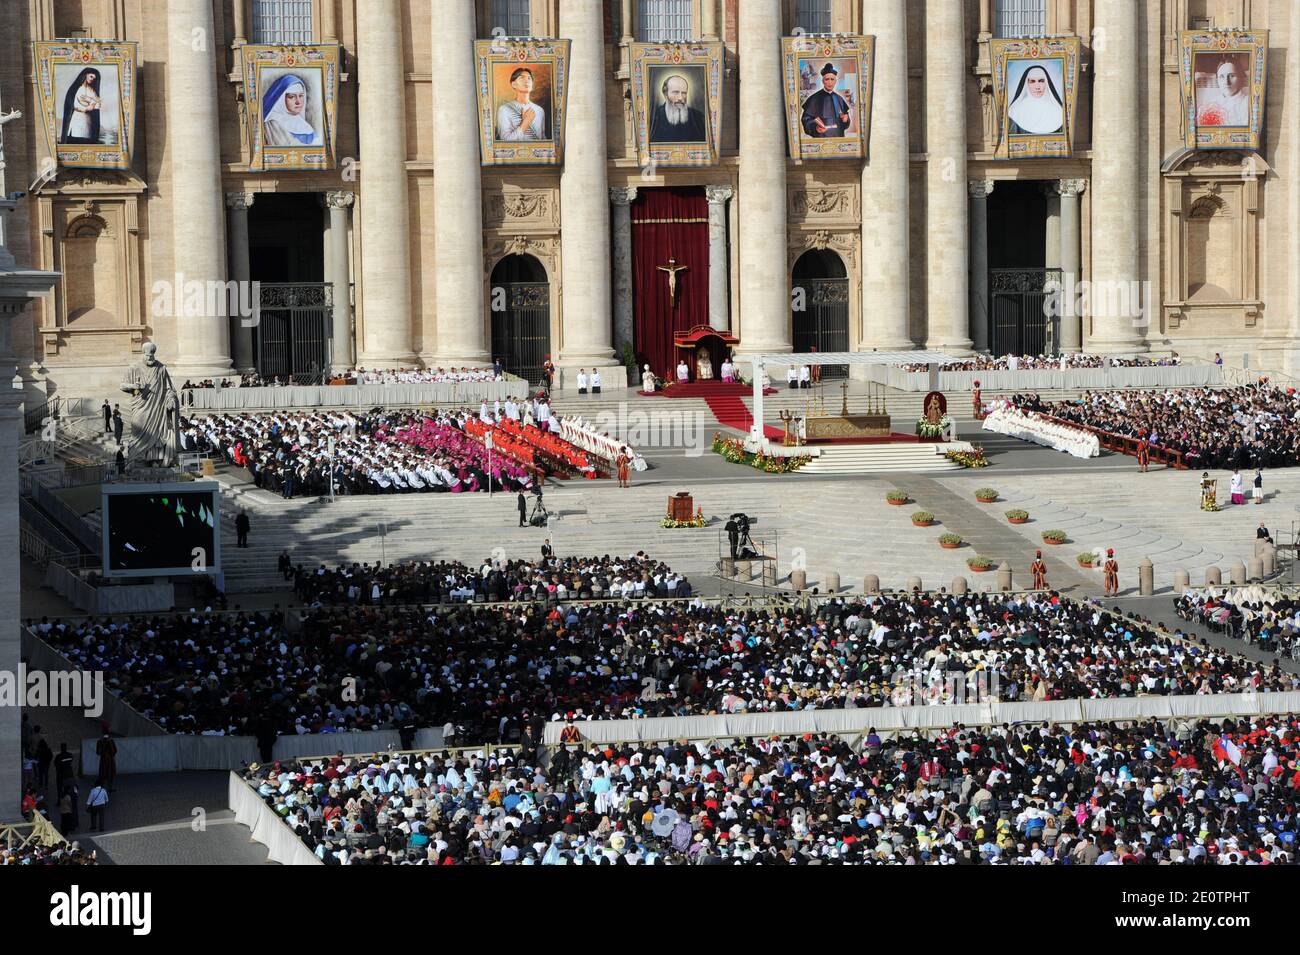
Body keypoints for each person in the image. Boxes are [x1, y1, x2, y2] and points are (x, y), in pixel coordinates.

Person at [120, 341, 180, 465]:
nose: (150, 358)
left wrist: (170, 400)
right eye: (148, 356)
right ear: (143, 354)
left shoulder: (161, 368)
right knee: (138, 430)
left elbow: (169, 388)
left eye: (152, 356)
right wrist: (133, 385)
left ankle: (152, 459)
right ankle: (134, 459)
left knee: (156, 433)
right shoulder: (134, 368)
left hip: (157, 408)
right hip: (140, 406)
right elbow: (122, 385)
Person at [262, 73, 322, 147]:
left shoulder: (301, 123)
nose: (298, 102)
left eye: (301, 96)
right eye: (292, 97)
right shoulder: (273, 124)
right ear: (280, 100)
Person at [1006, 64, 1065, 135]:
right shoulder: (1015, 111)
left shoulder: (1058, 112)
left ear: (1047, 83)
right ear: (1026, 84)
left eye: (1041, 81)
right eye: (1032, 81)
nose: (1037, 87)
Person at [650, 73, 707, 143]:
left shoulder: (697, 117)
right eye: (675, 92)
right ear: (665, 94)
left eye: (684, 93)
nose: (680, 98)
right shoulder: (653, 117)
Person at [800, 62, 852, 138]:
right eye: (827, 79)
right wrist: (815, 128)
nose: (830, 82)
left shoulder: (839, 99)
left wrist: (846, 120)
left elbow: (845, 124)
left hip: (838, 138)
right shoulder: (814, 98)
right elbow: (806, 120)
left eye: (832, 79)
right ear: (823, 81)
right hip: (821, 139)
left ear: (835, 81)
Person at [1196, 58, 1250, 127]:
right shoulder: (1211, 103)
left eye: (1232, 76)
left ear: (1240, 78)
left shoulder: (1247, 103)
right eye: (1222, 77)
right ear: (1217, 80)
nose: (1226, 82)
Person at [496, 67, 547, 141]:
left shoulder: (539, 110)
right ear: (513, 84)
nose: (527, 81)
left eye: (529, 78)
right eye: (522, 78)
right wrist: (525, 123)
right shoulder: (504, 109)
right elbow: (505, 141)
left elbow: (542, 139)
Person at [59, 68, 102, 144]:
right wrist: (87, 108)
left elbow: (98, 104)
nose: (92, 79)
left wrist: (90, 100)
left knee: (85, 141)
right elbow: (74, 105)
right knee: (75, 139)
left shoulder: (92, 90)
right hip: (77, 119)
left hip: (87, 121)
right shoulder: (77, 88)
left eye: (94, 78)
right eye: (91, 76)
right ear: (86, 75)